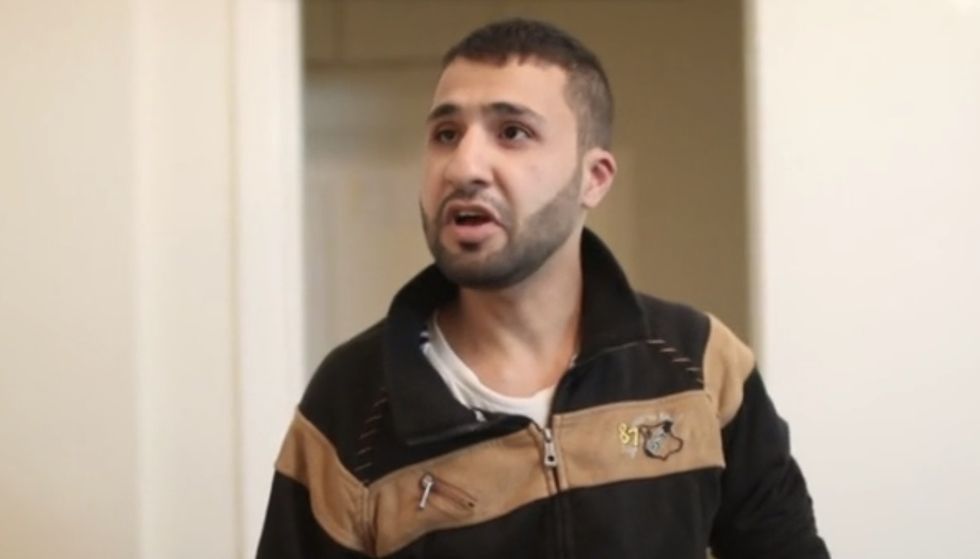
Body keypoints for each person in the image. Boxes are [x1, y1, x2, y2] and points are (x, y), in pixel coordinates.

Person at [257, 18, 829, 559]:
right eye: (446, 134)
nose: (463, 166)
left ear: (593, 179)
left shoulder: (699, 366)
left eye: (513, 132)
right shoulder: (350, 405)